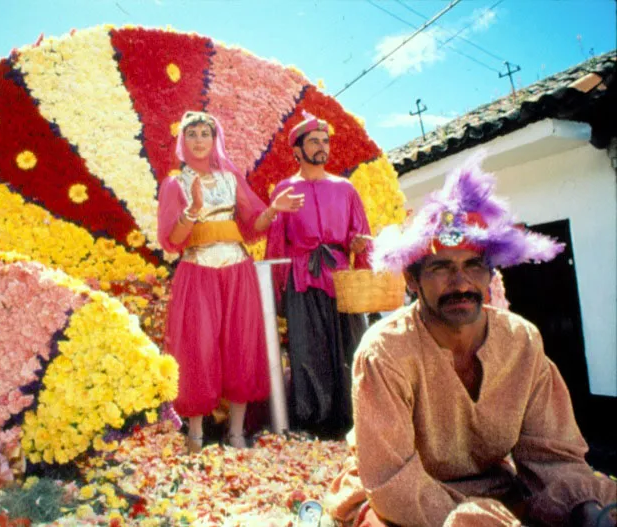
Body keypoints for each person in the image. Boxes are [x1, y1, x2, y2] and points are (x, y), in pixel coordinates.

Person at [325, 156, 616, 527]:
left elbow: (552, 457)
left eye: (472, 266)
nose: (460, 283)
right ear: (412, 282)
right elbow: (391, 478)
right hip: (394, 499)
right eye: (440, 267)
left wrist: (585, 509)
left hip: (494, 493)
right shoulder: (385, 351)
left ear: (488, 274)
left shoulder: (522, 341)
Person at [157, 110, 304, 453]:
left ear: (214, 139)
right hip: (197, 269)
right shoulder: (174, 184)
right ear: (183, 141)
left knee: (242, 344)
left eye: (204, 133)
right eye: (191, 133)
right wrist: (193, 207)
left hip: (238, 268)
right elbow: (173, 240)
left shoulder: (230, 178)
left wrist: (275, 209)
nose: (198, 140)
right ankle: (195, 433)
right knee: (197, 347)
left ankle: (236, 432)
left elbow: (253, 227)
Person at [264, 111, 372, 439]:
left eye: (325, 141)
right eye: (313, 142)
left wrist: (359, 251)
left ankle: (354, 419)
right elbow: (275, 244)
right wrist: (278, 292)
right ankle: (312, 423)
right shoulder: (285, 189)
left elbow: (362, 235)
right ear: (297, 150)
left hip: (340, 276)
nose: (322, 147)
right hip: (301, 277)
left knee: (350, 346)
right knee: (306, 348)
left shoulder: (345, 189)